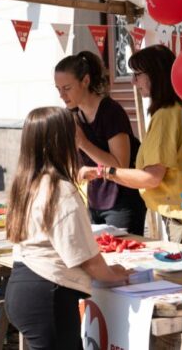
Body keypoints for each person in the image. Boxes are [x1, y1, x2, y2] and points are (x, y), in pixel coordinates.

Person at [4, 106, 131, 349]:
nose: (77, 142)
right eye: (73, 136)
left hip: (23, 287)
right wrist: (115, 274)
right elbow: (86, 258)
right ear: (59, 142)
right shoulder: (59, 190)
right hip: (47, 294)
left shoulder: (26, 183)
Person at [101, 45, 182, 249]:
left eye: (137, 75)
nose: (133, 82)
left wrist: (105, 172)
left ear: (155, 74)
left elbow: (151, 177)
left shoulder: (167, 114)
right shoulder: (180, 108)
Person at [54, 51, 146, 236]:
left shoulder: (111, 112)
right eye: (58, 89)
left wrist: (83, 143)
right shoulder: (74, 115)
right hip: (94, 200)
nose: (62, 95)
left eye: (67, 88)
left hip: (122, 201)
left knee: (123, 258)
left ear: (85, 81)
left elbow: (120, 164)